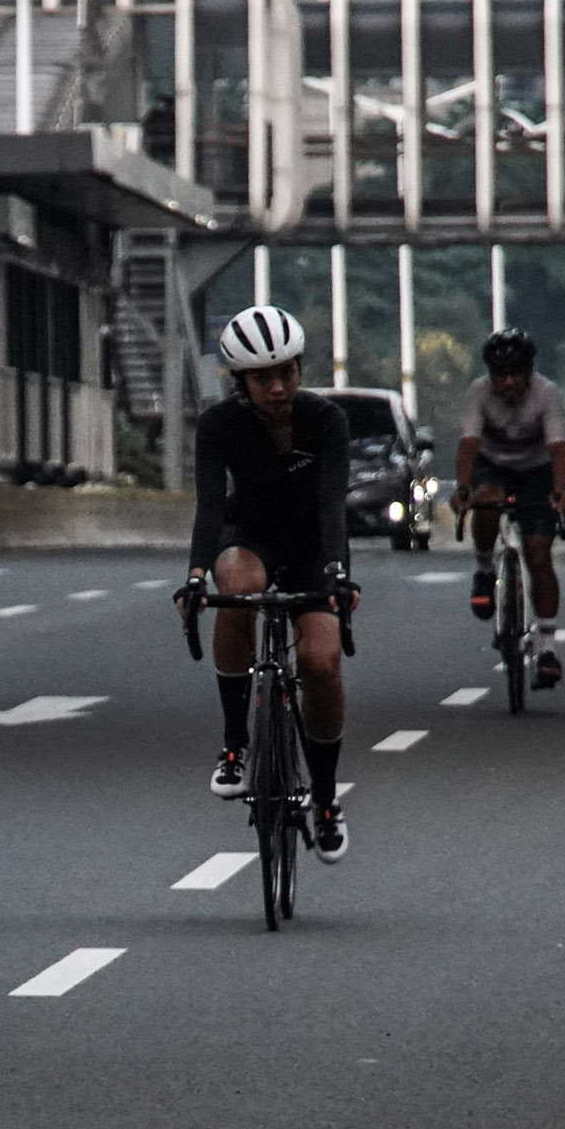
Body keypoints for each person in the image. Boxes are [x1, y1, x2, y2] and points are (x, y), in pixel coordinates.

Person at [180, 303, 357, 862]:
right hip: (247, 532)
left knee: (322, 662)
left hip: (310, 546)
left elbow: (332, 505)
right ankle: (235, 743)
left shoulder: (326, 421)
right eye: (263, 377)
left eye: (287, 371)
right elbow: (210, 506)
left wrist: (336, 572)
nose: (278, 386)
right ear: (241, 381)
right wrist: (194, 574)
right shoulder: (219, 425)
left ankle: (326, 798)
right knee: (238, 587)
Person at [452, 326, 565, 688]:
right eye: (499, 375)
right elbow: (470, 443)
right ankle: (485, 569)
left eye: (514, 374)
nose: (506, 382)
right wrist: (462, 490)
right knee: (487, 500)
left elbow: (558, 449)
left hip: (536, 469)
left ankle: (548, 647)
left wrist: (559, 491)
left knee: (539, 555)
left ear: (529, 372)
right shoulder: (479, 392)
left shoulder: (546, 394)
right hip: (493, 465)